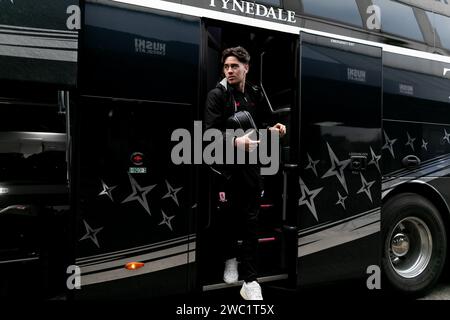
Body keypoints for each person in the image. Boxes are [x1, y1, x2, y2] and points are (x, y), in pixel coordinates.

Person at [204, 46, 286, 300]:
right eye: (226, 66)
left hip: (250, 169)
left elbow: (260, 124)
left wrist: (274, 129)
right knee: (227, 220)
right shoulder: (216, 95)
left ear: (246, 68)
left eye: (234, 66)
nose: (229, 70)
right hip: (224, 171)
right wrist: (234, 142)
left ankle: (250, 281)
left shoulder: (254, 94)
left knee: (250, 224)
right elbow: (208, 135)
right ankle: (230, 260)